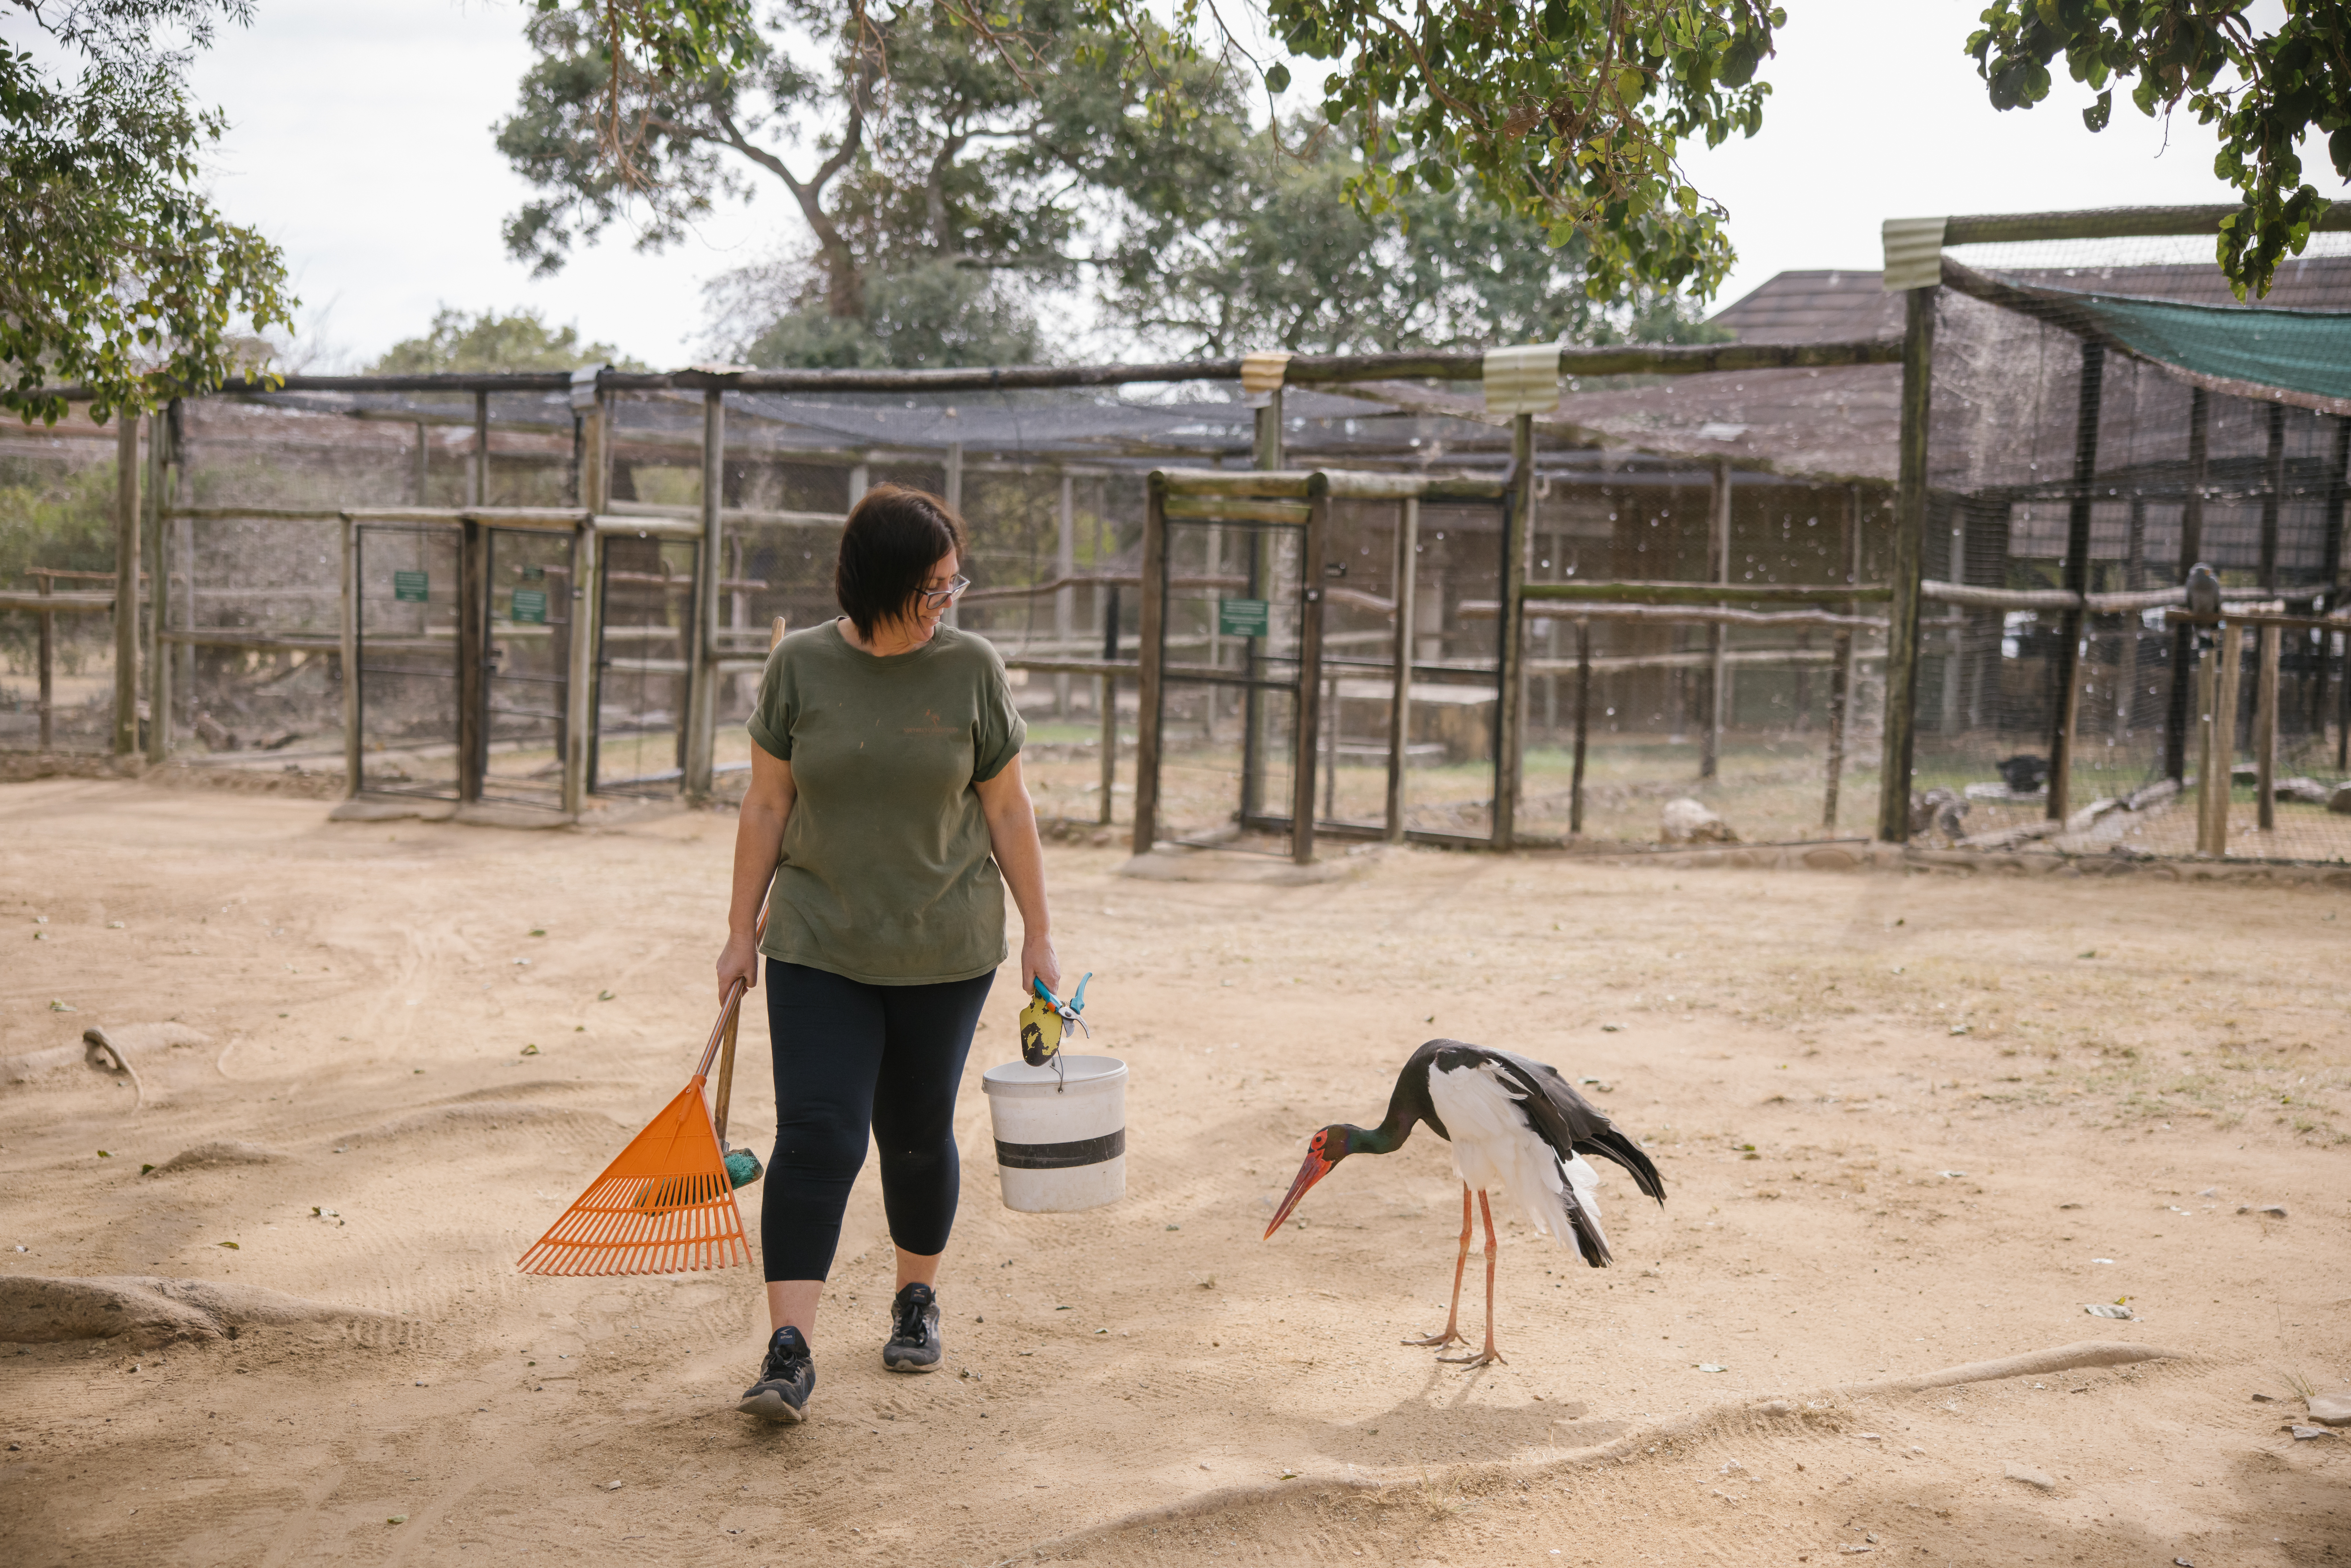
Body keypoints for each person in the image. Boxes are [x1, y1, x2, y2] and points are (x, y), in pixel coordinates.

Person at [714, 484, 1057, 1425]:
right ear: (881, 584)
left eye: (955, 584)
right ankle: (790, 1350)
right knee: (819, 1135)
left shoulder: (972, 670)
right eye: (933, 587)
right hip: (818, 941)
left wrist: (1040, 931)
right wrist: (741, 928)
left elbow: (1006, 809)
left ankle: (916, 1298)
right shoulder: (800, 667)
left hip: (945, 945)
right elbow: (768, 806)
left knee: (913, 1133)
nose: (950, 601)